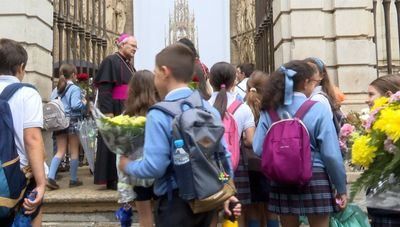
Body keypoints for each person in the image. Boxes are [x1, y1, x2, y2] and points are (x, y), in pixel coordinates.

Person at [118, 44, 241, 227]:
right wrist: (226, 191)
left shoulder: (159, 113)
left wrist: (128, 165)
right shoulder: (208, 109)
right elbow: (224, 158)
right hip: (207, 200)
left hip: (174, 203)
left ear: (164, 72)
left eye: (156, 72)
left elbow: (155, 167)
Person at [253, 60, 347, 227]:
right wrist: (340, 187)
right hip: (315, 175)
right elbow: (331, 154)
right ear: (305, 83)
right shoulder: (318, 108)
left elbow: (258, 148)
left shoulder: (269, 110)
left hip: (282, 178)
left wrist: (283, 156)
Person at [0, 38, 46, 226]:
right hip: (18, 177)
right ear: (20, 67)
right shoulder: (27, 93)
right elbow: (32, 139)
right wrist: (42, 184)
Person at [208, 62, 255, 227]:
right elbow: (251, 140)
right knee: (236, 212)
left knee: (210, 211)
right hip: (234, 167)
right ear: (234, 80)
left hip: (210, 167)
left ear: (210, 80)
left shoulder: (204, 106)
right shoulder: (243, 108)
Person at [94, 33, 137, 190]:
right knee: (113, 143)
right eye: (132, 46)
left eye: (136, 47)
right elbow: (105, 89)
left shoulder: (129, 65)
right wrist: (108, 113)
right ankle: (112, 178)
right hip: (115, 109)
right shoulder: (110, 61)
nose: (135, 49)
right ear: (121, 45)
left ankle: (125, 174)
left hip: (127, 108)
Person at [121, 70, 159, 227]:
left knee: (144, 217)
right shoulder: (159, 112)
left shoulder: (127, 115)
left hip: (136, 172)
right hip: (158, 168)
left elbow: (122, 149)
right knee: (161, 214)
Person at [244, 70, 280, 227]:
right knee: (271, 209)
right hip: (269, 164)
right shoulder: (272, 110)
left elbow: (247, 139)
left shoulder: (244, 108)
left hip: (249, 166)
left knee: (253, 208)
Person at [365, 74, 400, 227]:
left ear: (388, 95)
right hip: (382, 206)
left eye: (371, 94)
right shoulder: (377, 123)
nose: (367, 99)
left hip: (392, 207)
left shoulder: (393, 124)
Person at [46, 63, 86, 189]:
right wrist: (83, 103)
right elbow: (75, 105)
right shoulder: (75, 89)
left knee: (60, 150)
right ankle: (73, 179)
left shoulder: (55, 90)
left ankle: (51, 177)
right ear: (74, 75)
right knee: (74, 151)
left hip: (59, 122)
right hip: (72, 121)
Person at [304, 57, 345, 134]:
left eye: (311, 71)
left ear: (321, 76)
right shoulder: (319, 96)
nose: (307, 75)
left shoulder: (317, 99)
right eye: (304, 71)